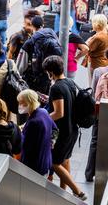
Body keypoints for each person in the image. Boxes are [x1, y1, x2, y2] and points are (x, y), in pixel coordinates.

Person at [42, 56, 87, 201]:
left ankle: (78, 191)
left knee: (54, 163)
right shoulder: (70, 82)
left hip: (62, 132)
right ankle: (63, 192)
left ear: (50, 71)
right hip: (73, 129)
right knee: (65, 160)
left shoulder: (56, 87)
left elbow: (59, 112)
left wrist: (42, 118)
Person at [17, 16, 62, 95]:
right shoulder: (52, 33)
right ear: (43, 24)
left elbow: (20, 67)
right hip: (52, 78)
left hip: (36, 80)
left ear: (32, 25)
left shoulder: (30, 42)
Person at [17, 89, 57, 176]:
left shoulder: (33, 122)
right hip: (46, 161)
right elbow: (55, 129)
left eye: (21, 103)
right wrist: (51, 143)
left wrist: (19, 133)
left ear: (29, 102)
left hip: (34, 166)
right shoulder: (43, 112)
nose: (19, 105)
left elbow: (25, 146)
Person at [85, 49, 108, 182]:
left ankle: (89, 173)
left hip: (101, 111)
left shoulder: (99, 71)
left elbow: (93, 92)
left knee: (95, 141)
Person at [86, 14, 108, 84]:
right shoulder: (105, 33)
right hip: (104, 62)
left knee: (94, 84)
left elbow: (87, 48)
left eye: (93, 22)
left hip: (96, 63)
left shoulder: (98, 37)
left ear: (97, 24)